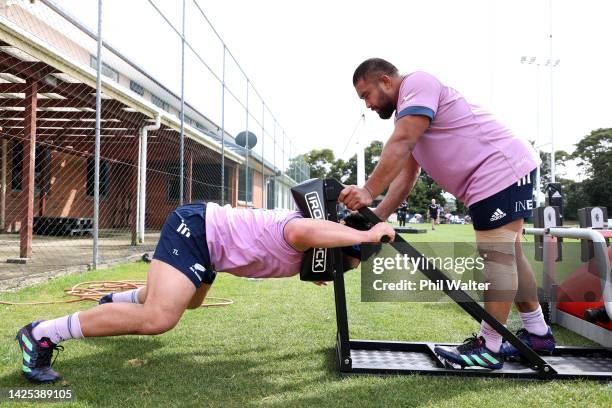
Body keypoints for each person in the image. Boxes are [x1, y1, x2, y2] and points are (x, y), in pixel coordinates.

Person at [16, 201, 395, 383]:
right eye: (342, 264)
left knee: (190, 302)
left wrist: (320, 266)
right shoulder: (303, 231)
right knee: (160, 319)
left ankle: (116, 302)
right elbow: (304, 234)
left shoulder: (310, 252)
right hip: (196, 230)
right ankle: (42, 334)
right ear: (337, 242)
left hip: (211, 248)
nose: (337, 271)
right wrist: (366, 234)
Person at [339, 58, 554, 370]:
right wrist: (378, 213)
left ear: (385, 80)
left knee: (498, 256)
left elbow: (402, 143)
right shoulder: (408, 113)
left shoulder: (417, 84)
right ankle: (538, 333)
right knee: (511, 255)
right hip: (494, 176)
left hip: (499, 170)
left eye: (366, 95)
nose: (368, 104)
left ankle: (489, 346)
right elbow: (406, 175)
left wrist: (368, 191)